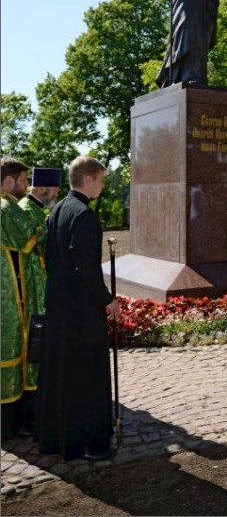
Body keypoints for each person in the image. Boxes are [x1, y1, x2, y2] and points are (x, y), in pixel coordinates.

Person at [35, 156, 121, 461]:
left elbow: (52, 257)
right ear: (88, 179)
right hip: (81, 311)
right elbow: (87, 268)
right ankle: (92, 441)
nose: (102, 185)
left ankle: (60, 438)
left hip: (59, 306)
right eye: (101, 180)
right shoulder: (84, 215)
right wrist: (107, 300)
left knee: (64, 374)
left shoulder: (57, 209)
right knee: (87, 375)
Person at [1, 157, 45, 440]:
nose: (26, 186)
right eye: (22, 180)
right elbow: (35, 235)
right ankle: (15, 424)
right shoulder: (6, 207)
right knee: (16, 351)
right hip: (9, 298)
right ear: (7, 181)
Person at [19, 167, 62, 297]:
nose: (57, 194)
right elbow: (27, 244)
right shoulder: (26, 209)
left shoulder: (36, 208)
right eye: (56, 189)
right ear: (42, 188)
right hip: (31, 280)